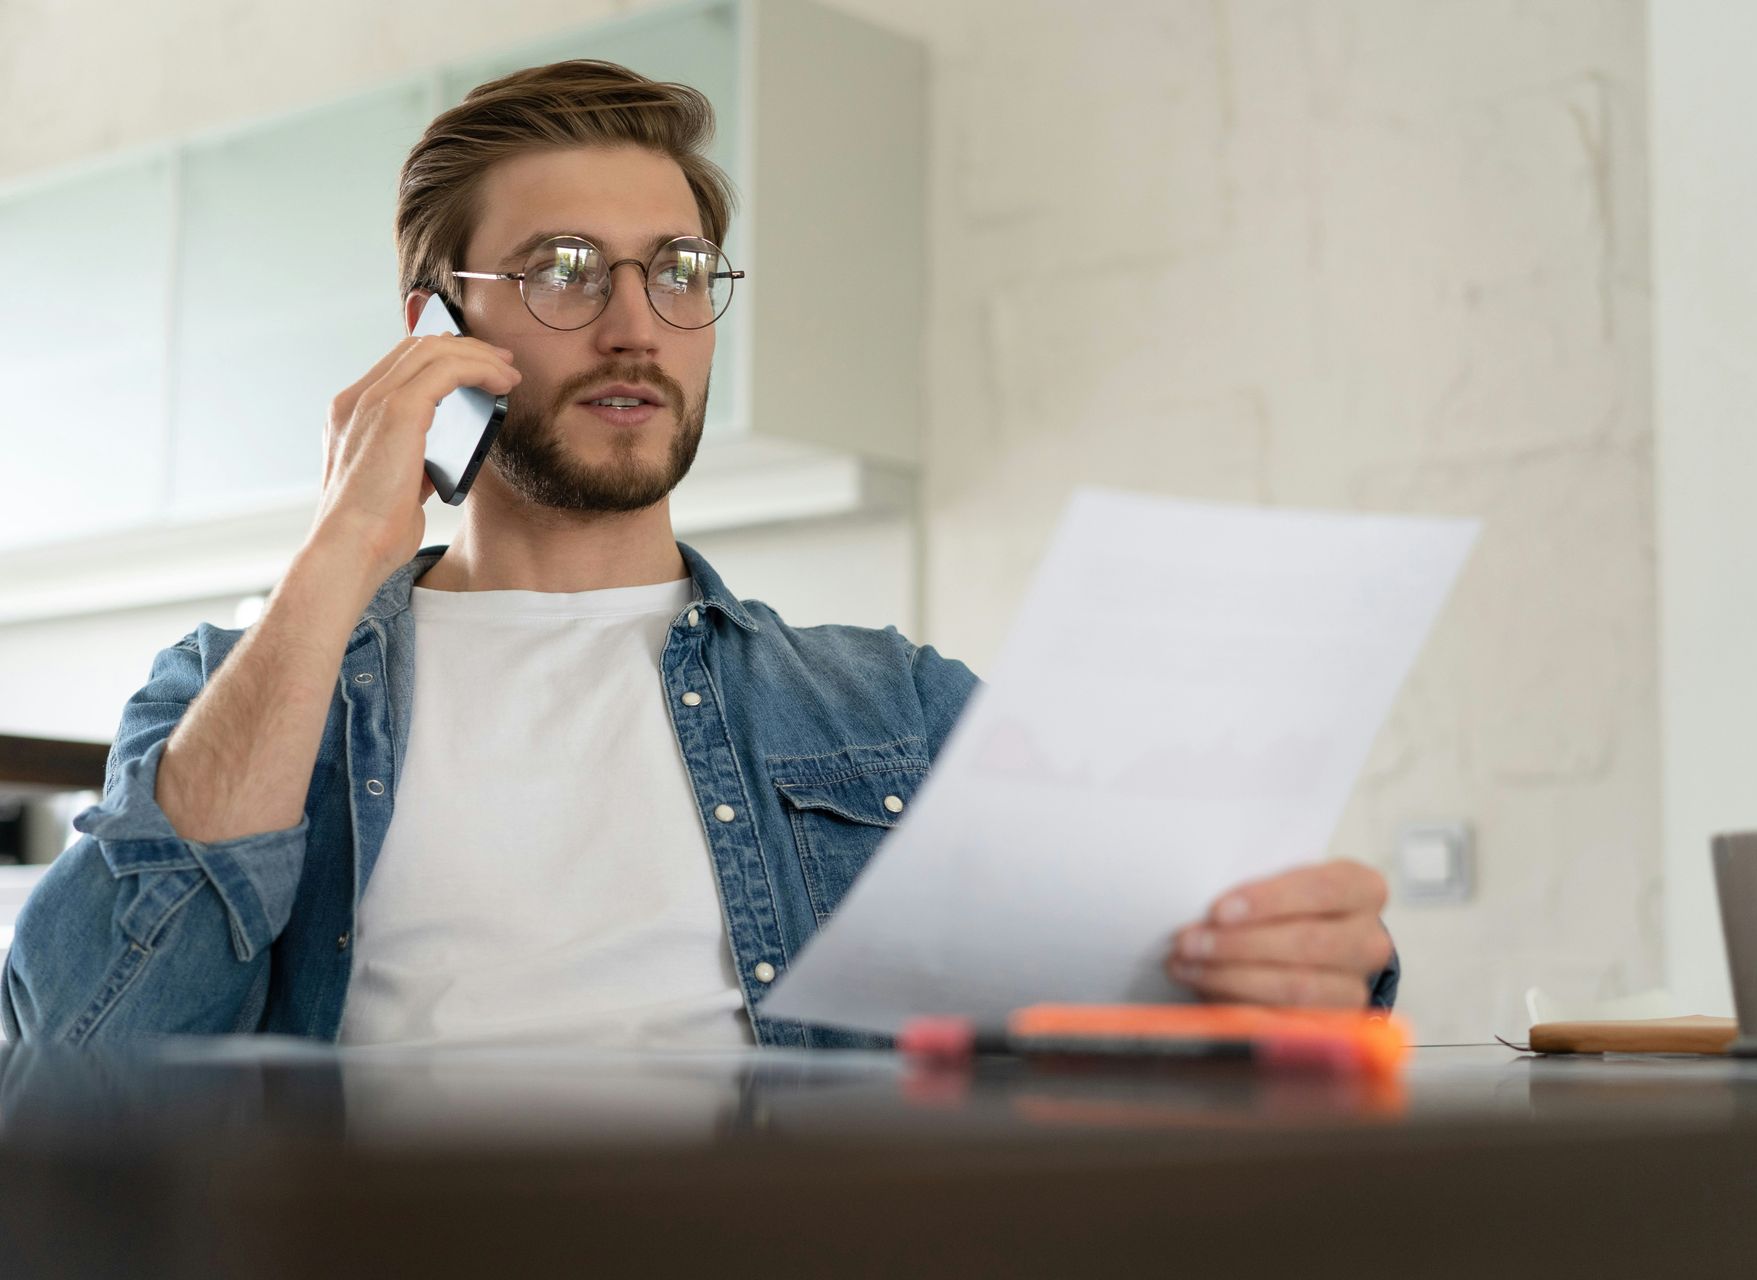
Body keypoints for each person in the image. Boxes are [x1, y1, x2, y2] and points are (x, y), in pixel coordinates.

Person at [1, 61, 1396, 1050]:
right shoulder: (249, 693)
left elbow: (1141, 1024)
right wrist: (339, 556)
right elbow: (75, 1068)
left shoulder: (891, 708)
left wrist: (1303, 974)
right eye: (562, 268)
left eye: (676, 268)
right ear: (438, 324)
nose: (635, 323)